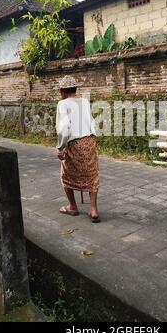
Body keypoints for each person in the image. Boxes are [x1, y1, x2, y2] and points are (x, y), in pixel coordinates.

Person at [56, 76, 100, 223]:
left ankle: (72, 206)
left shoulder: (63, 104)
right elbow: (91, 122)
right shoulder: (84, 101)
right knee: (92, 173)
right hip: (90, 140)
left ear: (62, 90)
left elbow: (63, 129)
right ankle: (93, 209)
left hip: (74, 143)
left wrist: (60, 147)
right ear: (75, 88)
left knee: (66, 174)